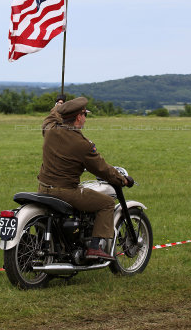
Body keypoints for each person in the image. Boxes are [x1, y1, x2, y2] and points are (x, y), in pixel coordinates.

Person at [38, 97, 132, 260]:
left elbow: (50, 118)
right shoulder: (82, 144)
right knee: (107, 203)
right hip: (65, 192)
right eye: (84, 115)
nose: (85, 119)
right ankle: (94, 248)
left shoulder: (50, 130)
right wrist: (122, 180)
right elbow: (102, 169)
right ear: (78, 117)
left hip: (43, 188)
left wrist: (58, 107)